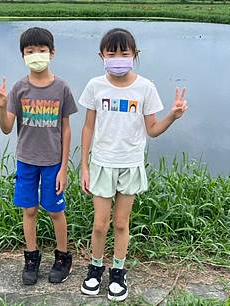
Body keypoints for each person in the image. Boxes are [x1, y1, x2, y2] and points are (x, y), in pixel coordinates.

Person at [78, 28, 188, 302]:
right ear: (101, 55)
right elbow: (88, 127)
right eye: (111, 53)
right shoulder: (95, 86)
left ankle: (118, 271)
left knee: (121, 223)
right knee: (100, 224)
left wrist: (172, 116)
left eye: (124, 53)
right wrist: (84, 166)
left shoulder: (145, 87)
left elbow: (152, 129)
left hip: (130, 164)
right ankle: (95, 268)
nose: (118, 58)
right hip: (102, 163)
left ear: (134, 55)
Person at [0, 27, 78, 285]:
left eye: (41, 50)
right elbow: (7, 128)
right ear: (23, 56)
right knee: (29, 210)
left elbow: (66, 129)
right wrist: (2, 106)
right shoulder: (19, 88)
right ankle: (31, 257)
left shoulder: (62, 87)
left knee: (54, 211)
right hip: (26, 161)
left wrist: (64, 168)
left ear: (52, 53)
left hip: (52, 162)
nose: (36, 55)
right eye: (30, 51)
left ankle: (63, 257)